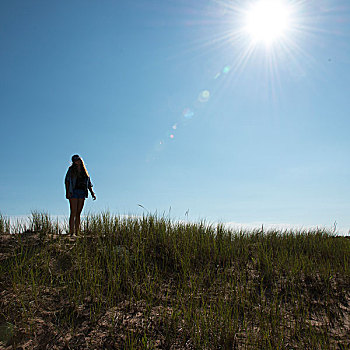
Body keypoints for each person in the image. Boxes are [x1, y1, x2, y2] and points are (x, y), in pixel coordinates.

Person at [65, 154, 96, 235]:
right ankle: (71, 232)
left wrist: (92, 193)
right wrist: (67, 192)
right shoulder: (71, 170)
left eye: (77, 159)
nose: (76, 161)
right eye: (74, 160)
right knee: (73, 212)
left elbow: (89, 183)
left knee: (78, 212)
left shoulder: (84, 171)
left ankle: (77, 232)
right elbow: (67, 181)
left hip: (82, 192)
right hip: (74, 191)